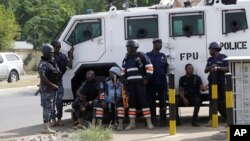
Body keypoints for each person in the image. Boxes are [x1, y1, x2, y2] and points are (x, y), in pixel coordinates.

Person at [121, 39, 154, 130]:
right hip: (130, 85)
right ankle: (132, 124)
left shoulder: (142, 56)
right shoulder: (126, 58)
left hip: (140, 84)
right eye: (127, 47)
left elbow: (150, 68)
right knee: (132, 104)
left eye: (129, 47)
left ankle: (149, 123)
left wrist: (146, 78)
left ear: (134, 47)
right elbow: (123, 70)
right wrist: (123, 79)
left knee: (144, 102)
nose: (127, 48)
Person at [92, 66, 125, 130]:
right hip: (108, 102)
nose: (110, 75)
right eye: (110, 73)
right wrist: (103, 101)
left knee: (121, 104)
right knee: (99, 105)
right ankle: (99, 125)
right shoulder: (106, 83)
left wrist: (119, 99)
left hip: (118, 101)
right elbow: (101, 92)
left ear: (116, 74)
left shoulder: (122, 83)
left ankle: (120, 124)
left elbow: (125, 94)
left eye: (111, 73)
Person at [204, 42, 229, 126]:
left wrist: (218, 68)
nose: (209, 51)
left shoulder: (223, 57)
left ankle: (227, 118)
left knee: (223, 101)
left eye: (210, 49)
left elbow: (228, 68)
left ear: (214, 49)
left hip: (221, 83)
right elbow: (205, 70)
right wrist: (211, 67)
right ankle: (211, 120)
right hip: (212, 83)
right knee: (212, 101)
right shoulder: (210, 60)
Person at [50, 40, 73, 126]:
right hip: (50, 82)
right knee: (52, 102)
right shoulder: (48, 56)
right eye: (56, 47)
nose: (57, 49)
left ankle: (59, 118)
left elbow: (70, 65)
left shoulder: (62, 56)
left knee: (59, 102)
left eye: (58, 47)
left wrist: (70, 55)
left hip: (59, 82)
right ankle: (53, 119)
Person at [146, 38, 169, 127]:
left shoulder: (163, 55)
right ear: (154, 44)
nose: (160, 45)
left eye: (161, 44)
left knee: (162, 101)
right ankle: (153, 119)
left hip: (162, 82)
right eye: (158, 44)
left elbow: (166, 66)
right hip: (151, 82)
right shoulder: (147, 55)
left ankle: (163, 120)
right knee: (151, 102)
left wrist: (166, 74)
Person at [37, 44, 60, 134]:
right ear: (45, 53)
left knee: (50, 107)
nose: (52, 54)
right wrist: (52, 85)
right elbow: (42, 77)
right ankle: (45, 128)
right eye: (50, 53)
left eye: (52, 53)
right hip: (47, 89)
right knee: (47, 107)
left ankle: (47, 126)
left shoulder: (51, 62)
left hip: (52, 88)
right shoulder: (43, 64)